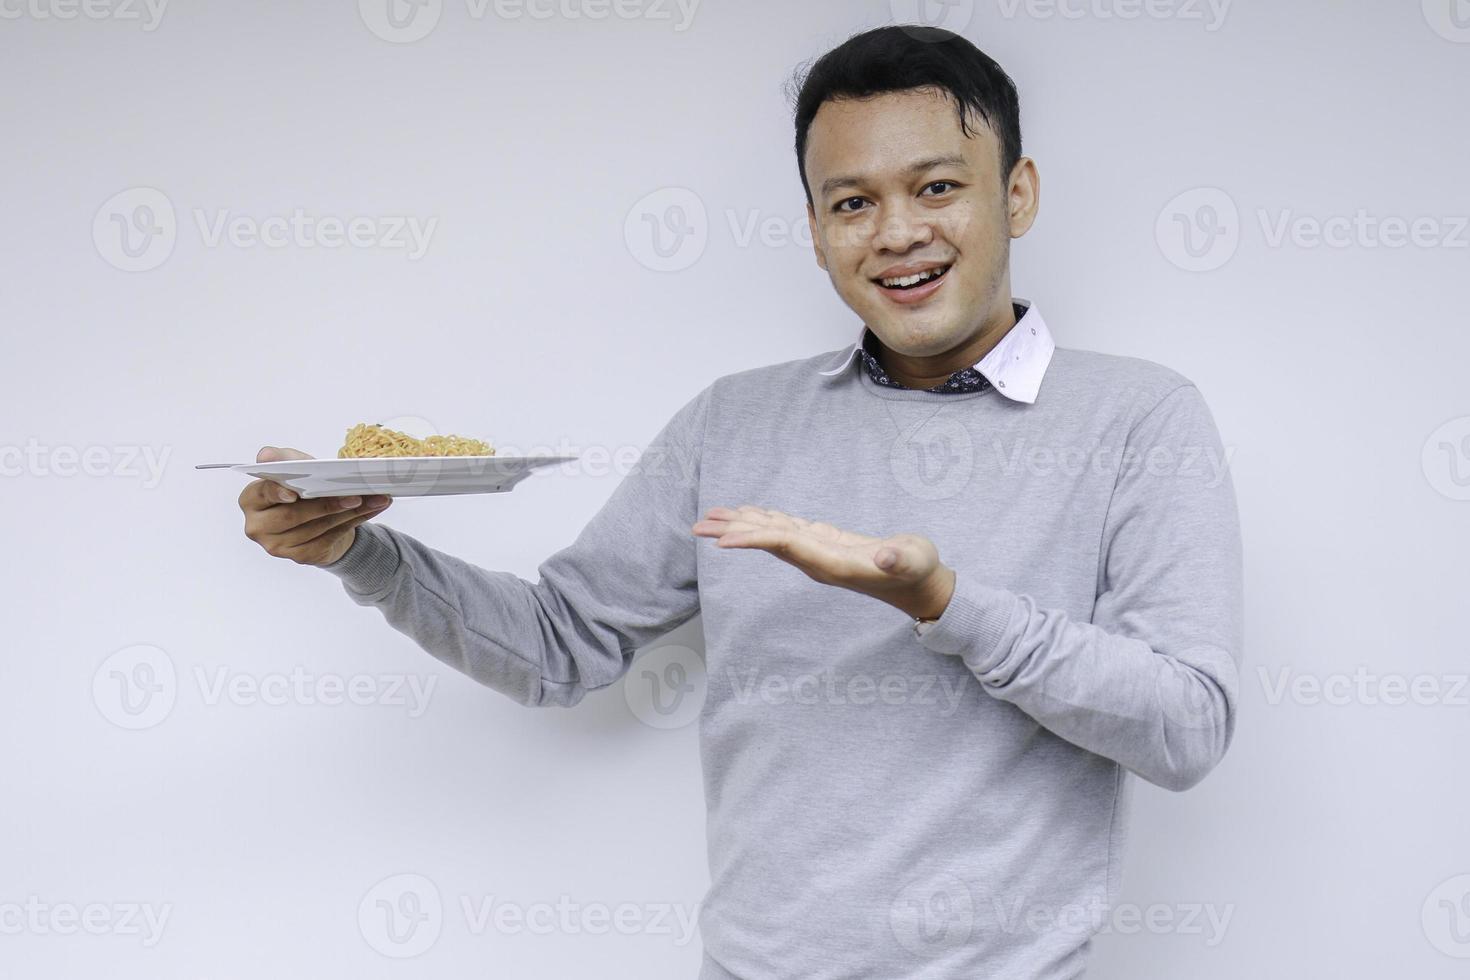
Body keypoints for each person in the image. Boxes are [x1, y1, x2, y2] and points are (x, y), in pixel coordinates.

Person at [238, 25, 1243, 979]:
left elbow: (1186, 727)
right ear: (813, 230)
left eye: (938, 187)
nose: (898, 233)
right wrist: (355, 551)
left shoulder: (1140, 418)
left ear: (1016, 193)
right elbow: (557, 644)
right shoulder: (736, 423)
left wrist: (945, 600)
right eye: (851, 203)